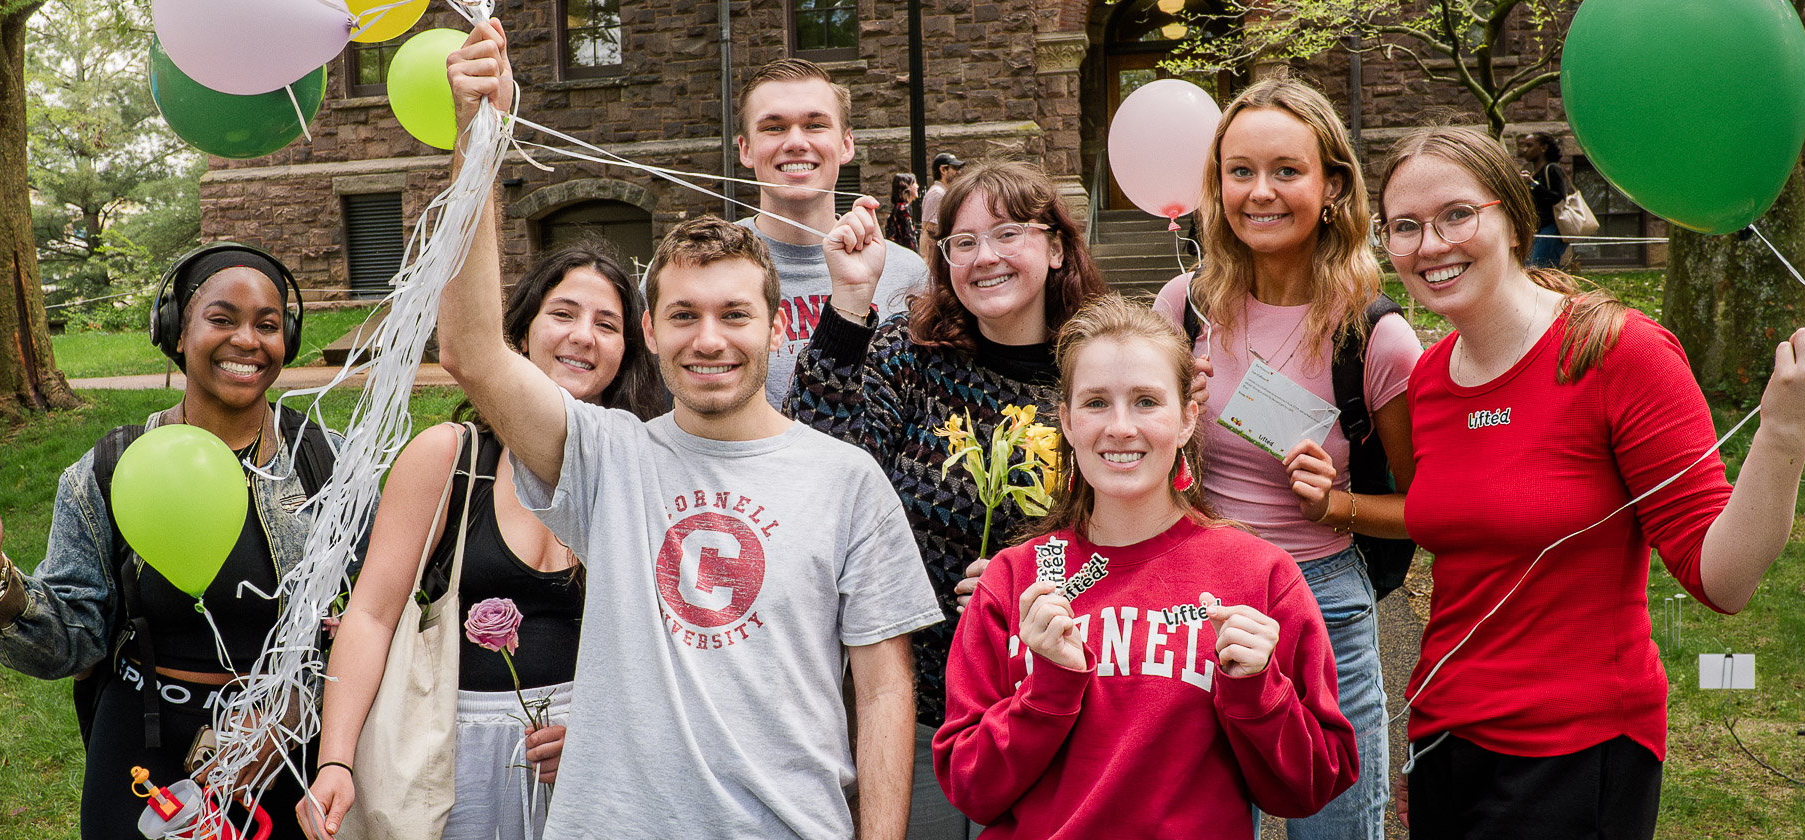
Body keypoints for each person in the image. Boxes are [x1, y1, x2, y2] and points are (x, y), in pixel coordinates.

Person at [437, 22, 944, 839]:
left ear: (778, 329)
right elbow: (470, 351)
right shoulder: (606, 458)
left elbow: (885, 688)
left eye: (735, 314)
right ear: (649, 329)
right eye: (684, 315)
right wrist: (477, 142)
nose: (709, 339)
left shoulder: (848, 480)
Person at [1376, 126, 1805, 839]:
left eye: (1457, 214)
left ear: (1515, 220)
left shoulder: (1617, 352)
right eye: (1405, 226)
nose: (1430, 245)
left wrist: (1785, 432)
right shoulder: (1429, 378)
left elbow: (1721, 579)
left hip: (1576, 753)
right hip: (1446, 738)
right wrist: (1427, 747)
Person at [0, 243, 335, 839]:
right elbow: (73, 643)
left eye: (267, 325)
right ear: (175, 331)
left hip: (294, 751)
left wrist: (298, 710)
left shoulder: (329, 465)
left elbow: (374, 619)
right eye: (221, 319)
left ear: (287, 340)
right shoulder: (109, 472)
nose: (247, 340)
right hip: (145, 754)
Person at [933, 296, 1359, 839]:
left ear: (1186, 418)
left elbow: (1310, 785)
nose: (1120, 427)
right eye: (1095, 403)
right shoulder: (1017, 579)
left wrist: (1259, 691)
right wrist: (1046, 692)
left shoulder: (1260, 575)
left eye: (1145, 402)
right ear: (1064, 420)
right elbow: (969, 787)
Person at [298, 241, 667, 840]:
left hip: (598, 760)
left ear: (626, 350)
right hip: (457, 757)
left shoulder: (641, 469)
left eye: (607, 324)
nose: (583, 336)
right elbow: (370, 615)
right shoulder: (450, 458)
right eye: (563, 313)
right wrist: (335, 759)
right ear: (521, 333)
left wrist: (601, 734)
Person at [787, 158, 1107, 837]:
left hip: (1057, 696)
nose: (984, 257)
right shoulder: (912, 353)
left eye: (1008, 234)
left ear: (1055, 247)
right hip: (921, 697)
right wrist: (848, 305)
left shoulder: (1099, 370)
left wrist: (1028, 577)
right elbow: (818, 466)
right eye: (963, 242)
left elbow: (1137, 526)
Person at [1145, 76, 1419, 840]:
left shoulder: (1376, 337)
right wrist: (1173, 424)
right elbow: (1134, 468)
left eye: (1286, 171)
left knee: (1332, 827)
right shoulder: (1183, 307)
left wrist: (1334, 506)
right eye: (1240, 172)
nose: (1260, 192)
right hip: (1196, 598)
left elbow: (1427, 512)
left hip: (1321, 607)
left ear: (1332, 186)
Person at [734, 57, 928, 404]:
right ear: (746, 149)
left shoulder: (908, 274)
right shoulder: (697, 270)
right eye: (773, 127)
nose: (795, 142)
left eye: (815, 125)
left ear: (846, 145)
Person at [1517, 132, 1570, 268]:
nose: (1524, 150)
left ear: (1543, 148)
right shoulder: (1533, 174)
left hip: (1551, 227)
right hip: (1536, 229)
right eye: (1523, 146)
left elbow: (1558, 197)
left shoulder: (1552, 169)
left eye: (1529, 145)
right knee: (1529, 269)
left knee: (1540, 270)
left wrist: (1533, 184)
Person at [921, 152, 965, 254]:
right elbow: (928, 232)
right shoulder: (937, 194)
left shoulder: (943, 193)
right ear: (943, 170)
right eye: (955, 168)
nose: (959, 172)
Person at [886, 172, 921, 250]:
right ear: (906, 187)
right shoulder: (903, 209)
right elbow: (909, 238)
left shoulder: (898, 208)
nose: (917, 186)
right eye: (914, 183)